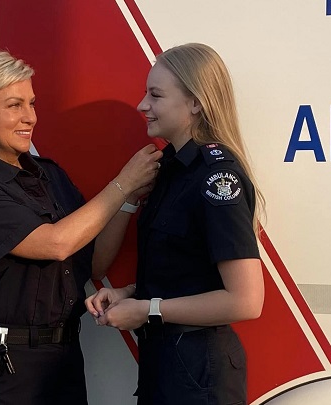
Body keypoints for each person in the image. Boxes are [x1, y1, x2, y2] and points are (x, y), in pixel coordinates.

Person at [0, 50, 162, 405]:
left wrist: (129, 199)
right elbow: (55, 244)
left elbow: (92, 263)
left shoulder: (50, 176)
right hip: (3, 366)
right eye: (14, 105)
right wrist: (122, 182)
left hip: (62, 357)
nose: (30, 117)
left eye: (31, 103)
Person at [85, 43, 265, 405]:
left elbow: (246, 301)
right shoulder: (169, 169)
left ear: (196, 102)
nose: (142, 105)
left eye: (155, 94)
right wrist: (129, 294)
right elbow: (186, 271)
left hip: (199, 373)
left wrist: (147, 309)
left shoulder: (217, 177)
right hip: (167, 366)